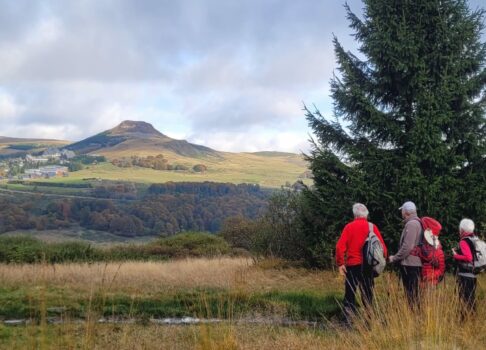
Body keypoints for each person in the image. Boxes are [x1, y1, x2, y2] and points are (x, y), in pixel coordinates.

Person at [336, 203, 387, 323]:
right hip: (368, 267)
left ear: (354, 214)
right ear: (366, 214)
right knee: (368, 294)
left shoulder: (349, 227)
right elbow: (383, 248)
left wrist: (340, 263)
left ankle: (348, 321)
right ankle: (369, 320)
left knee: (350, 293)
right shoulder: (372, 227)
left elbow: (339, 247)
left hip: (353, 266)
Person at [388, 201, 422, 307]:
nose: (401, 214)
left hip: (410, 264)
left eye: (402, 211)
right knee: (414, 293)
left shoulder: (411, 224)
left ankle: (413, 318)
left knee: (411, 294)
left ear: (406, 212)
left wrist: (394, 258)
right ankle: (415, 316)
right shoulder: (418, 222)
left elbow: (407, 247)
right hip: (415, 264)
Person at [452, 218, 477, 315]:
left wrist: (455, 255)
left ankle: (463, 319)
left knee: (464, 298)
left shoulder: (463, 241)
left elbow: (468, 257)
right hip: (473, 274)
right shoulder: (474, 239)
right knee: (471, 298)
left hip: (465, 275)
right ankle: (472, 319)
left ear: (462, 229)